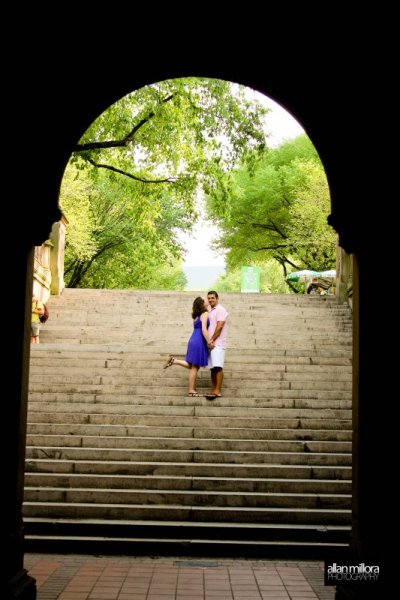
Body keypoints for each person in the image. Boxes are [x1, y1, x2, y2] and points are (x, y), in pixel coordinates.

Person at [163, 296, 213, 397]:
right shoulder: (205, 313)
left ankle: (175, 361)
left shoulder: (196, 315)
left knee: (194, 366)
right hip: (199, 340)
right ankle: (191, 390)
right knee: (194, 367)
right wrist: (209, 342)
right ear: (202, 303)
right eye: (205, 300)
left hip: (193, 339)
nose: (208, 301)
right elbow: (204, 329)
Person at [205, 290, 228, 399]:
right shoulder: (210, 311)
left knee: (218, 367)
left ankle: (217, 390)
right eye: (209, 298)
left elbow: (219, 327)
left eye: (212, 298)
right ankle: (214, 389)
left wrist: (212, 339)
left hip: (218, 343)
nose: (210, 300)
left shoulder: (221, 310)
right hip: (211, 344)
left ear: (217, 298)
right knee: (213, 368)